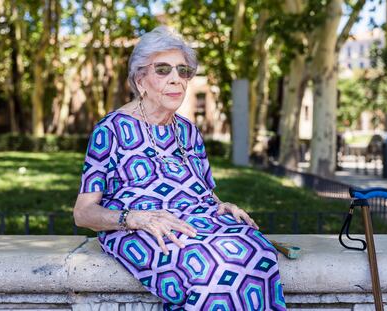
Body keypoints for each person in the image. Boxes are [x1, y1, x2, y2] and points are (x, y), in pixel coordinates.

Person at [73, 26, 287, 311]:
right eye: (162, 70)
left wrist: (223, 205)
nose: (176, 79)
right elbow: (83, 213)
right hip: (140, 227)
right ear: (141, 80)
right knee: (211, 267)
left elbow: (205, 192)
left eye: (183, 71)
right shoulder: (110, 130)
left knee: (259, 251)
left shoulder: (188, 131)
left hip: (198, 219)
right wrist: (135, 218)